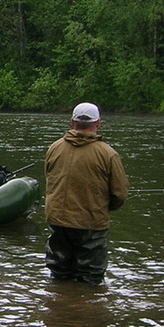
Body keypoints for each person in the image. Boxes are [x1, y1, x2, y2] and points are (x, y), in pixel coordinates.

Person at [43, 102, 129, 285]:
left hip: (58, 221)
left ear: (71, 122)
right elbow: (119, 193)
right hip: (91, 223)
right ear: (98, 123)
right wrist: (104, 208)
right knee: (91, 278)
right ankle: (87, 310)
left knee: (59, 275)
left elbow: (50, 180)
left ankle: (58, 308)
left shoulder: (54, 148)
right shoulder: (108, 154)